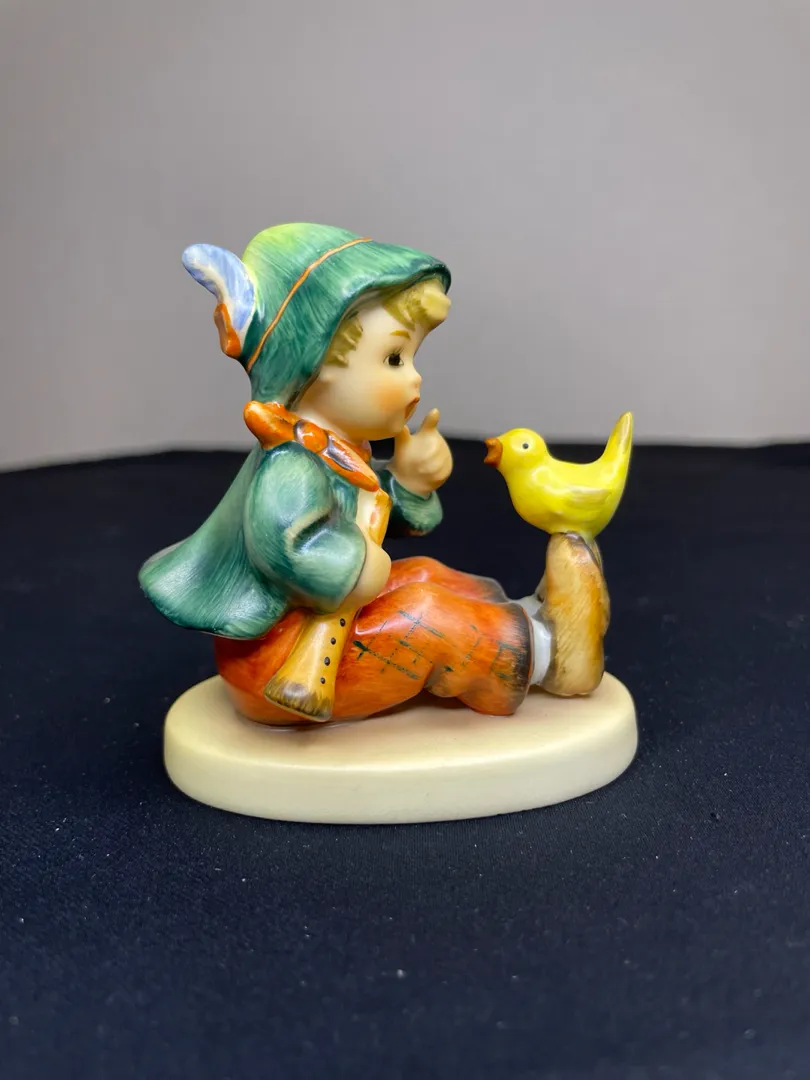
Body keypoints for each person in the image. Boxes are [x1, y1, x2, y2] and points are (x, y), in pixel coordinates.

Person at [139, 223, 608, 724]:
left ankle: (523, 617)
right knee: (423, 615)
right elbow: (290, 548)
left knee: (426, 572)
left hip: (317, 627)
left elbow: (368, 507)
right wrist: (357, 568)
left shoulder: (334, 451)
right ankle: (548, 656)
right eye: (394, 358)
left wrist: (407, 483)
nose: (415, 377)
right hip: (273, 662)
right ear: (315, 366)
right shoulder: (289, 465)